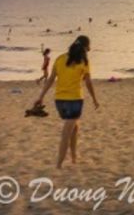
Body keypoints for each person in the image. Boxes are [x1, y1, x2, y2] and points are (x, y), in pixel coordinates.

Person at [33, 36, 99, 169]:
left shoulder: (60, 59)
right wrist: (94, 99)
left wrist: (41, 96)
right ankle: (59, 164)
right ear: (85, 48)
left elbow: (51, 79)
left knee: (75, 127)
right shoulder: (84, 61)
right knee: (66, 133)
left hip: (59, 102)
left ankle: (74, 157)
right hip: (74, 101)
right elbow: (88, 82)